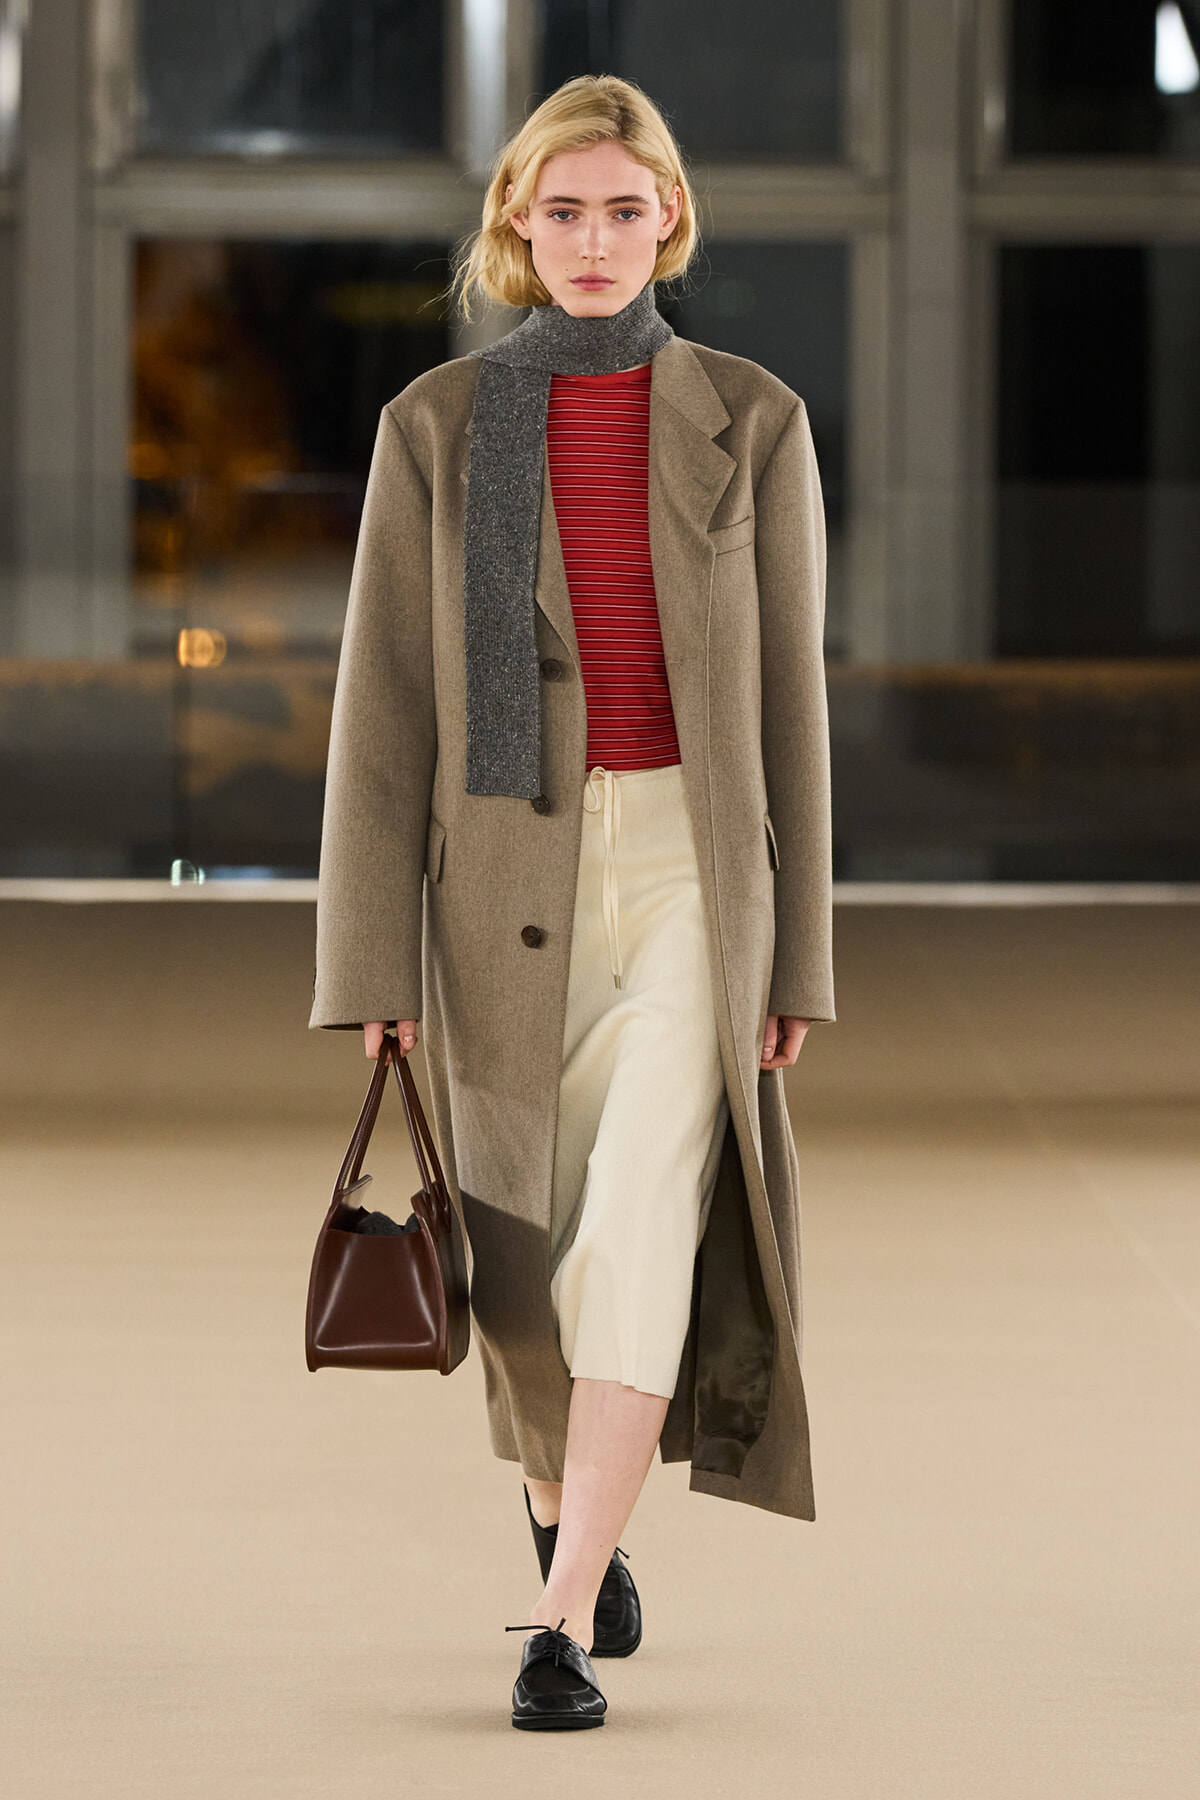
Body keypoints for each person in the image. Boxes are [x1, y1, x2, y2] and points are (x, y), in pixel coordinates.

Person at [309, 73, 834, 1732]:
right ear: (517, 231)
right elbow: (386, 712)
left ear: (668, 215)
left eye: (624, 207)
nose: (595, 239)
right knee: (524, 1254)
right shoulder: (437, 426)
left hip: (694, 870)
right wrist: (370, 957)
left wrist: (798, 948)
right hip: (504, 884)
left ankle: (550, 1618)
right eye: (562, 211)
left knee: (636, 1226)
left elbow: (792, 710)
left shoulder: (751, 420)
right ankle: (576, 1518)